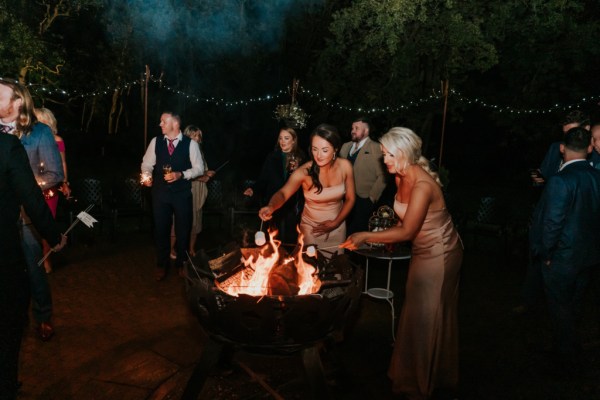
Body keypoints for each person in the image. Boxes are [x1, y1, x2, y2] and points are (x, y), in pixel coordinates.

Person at [341, 127, 463, 399]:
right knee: (415, 309)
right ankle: (413, 372)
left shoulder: (422, 185)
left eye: (389, 155)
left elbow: (408, 231)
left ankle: (425, 381)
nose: (384, 160)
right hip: (422, 250)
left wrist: (366, 235)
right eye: (384, 154)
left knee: (428, 313)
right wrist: (388, 237)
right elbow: (402, 220)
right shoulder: (399, 176)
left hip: (441, 252)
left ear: (406, 154)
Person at [0, 86, 67, 398]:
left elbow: (54, 173)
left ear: (17, 102)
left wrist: (30, 186)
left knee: (33, 269)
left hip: (32, 212)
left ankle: (43, 316)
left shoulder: (39, 132)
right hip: (7, 217)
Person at [529, 127, 600, 370]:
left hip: (563, 257)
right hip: (589, 256)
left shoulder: (560, 180)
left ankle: (566, 359)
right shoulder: (597, 176)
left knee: (559, 307)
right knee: (574, 305)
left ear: (562, 148)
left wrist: (547, 254)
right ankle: (569, 347)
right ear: (590, 148)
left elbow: (552, 223)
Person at [259, 123, 355, 255]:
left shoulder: (345, 166)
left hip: (337, 228)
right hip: (311, 229)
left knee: (334, 270)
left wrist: (336, 222)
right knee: (311, 269)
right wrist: (271, 206)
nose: (319, 155)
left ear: (336, 149)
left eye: (325, 150)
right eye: (315, 149)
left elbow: (350, 198)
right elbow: (283, 193)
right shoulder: (304, 172)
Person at [141, 111, 204, 281]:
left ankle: (182, 263)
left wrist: (181, 174)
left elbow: (199, 169)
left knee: (183, 230)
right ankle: (162, 264)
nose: (160, 124)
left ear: (175, 124)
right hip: (160, 193)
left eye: (163, 121)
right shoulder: (156, 142)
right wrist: (147, 176)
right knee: (161, 229)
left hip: (182, 194)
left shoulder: (191, 144)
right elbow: (147, 164)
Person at [244, 127, 306, 244]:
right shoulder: (272, 157)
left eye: (286, 138)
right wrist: (253, 189)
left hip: (292, 205)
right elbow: (263, 179)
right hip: (273, 203)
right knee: (273, 239)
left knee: (290, 240)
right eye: (280, 138)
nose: (282, 141)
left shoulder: (301, 158)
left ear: (293, 140)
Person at [34, 107, 71, 273]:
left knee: (46, 224)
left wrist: (64, 182)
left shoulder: (57, 140)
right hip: (32, 188)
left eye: (39, 120)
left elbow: (62, 163)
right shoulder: (30, 140)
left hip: (50, 189)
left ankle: (46, 259)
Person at [170, 125, 215, 258]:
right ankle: (171, 249)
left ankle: (191, 249)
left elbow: (201, 170)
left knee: (195, 223)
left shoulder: (200, 152)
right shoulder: (183, 151)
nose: (197, 138)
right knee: (178, 221)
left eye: (198, 136)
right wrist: (204, 176)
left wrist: (207, 173)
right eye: (194, 135)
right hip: (186, 190)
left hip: (198, 192)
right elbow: (187, 173)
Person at [339, 117, 387, 235]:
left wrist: (371, 198)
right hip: (344, 197)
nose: (352, 131)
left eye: (356, 128)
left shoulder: (375, 147)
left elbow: (383, 176)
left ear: (366, 131)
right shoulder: (345, 146)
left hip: (363, 200)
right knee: (344, 230)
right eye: (352, 128)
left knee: (358, 234)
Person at [534, 109, 591, 185]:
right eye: (565, 133)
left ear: (587, 128)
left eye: (572, 132)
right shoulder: (555, 147)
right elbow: (543, 176)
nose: (568, 137)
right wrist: (538, 178)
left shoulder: (596, 152)